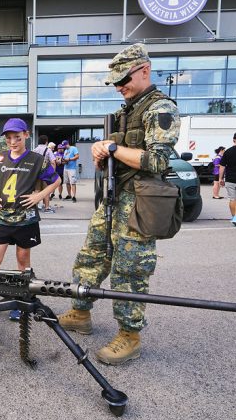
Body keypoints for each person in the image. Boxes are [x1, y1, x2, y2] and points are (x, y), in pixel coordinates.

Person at [58, 43, 180, 365]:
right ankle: (81, 312)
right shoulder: (124, 112)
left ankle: (130, 335)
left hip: (139, 201)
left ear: (144, 70)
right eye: (115, 82)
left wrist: (111, 148)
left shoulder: (160, 108)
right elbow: (116, 158)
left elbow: (155, 160)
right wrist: (101, 157)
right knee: (92, 254)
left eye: (123, 79)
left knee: (130, 270)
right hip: (114, 196)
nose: (119, 87)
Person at [0, 118, 60, 321]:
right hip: (3, 217)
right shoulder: (0, 157)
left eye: (17, 137)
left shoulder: (38, 159)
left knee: (22, 260)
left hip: (25, 220)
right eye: (9, 138)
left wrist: (38, 196)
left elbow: (56, 180)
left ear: (26, 135)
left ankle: (23, 299)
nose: (13, 142)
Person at [33, 135, 56, 213]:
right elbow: (53, 162)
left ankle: (35, 208)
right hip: (45, 172)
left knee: (37, 190)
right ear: (46, 141)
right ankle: (46, 208)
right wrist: (53, 173)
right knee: (46, 190)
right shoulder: (48, 150)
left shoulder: (34, 150)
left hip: (36, 173)